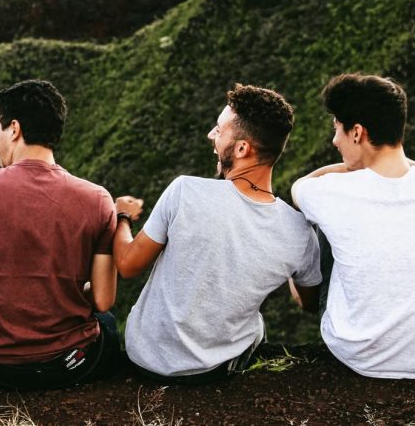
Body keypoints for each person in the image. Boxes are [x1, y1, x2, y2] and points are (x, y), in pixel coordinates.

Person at [114, 83, 322, 384]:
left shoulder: (184, 191)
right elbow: (308, 303)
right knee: (256, 324)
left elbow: (127, 265)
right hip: (214, 370)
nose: (211, 135)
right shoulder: (299, 232)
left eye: (219, 130)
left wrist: (122, 216)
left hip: (145, 359)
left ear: (242, 149)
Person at [291, 73, 415, 379]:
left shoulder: (329, 191)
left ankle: (312, 304)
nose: (334, 141)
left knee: (321, 220)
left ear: (357, 132)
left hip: (357, 354)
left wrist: (350, 169)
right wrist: (411, 170)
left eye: (337, 129)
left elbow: (299, 187)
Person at [0, 79, 119, 390]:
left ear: (14, 129)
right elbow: (103, 299)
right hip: (71, 365)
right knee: (107, 322)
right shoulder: (98, 199)